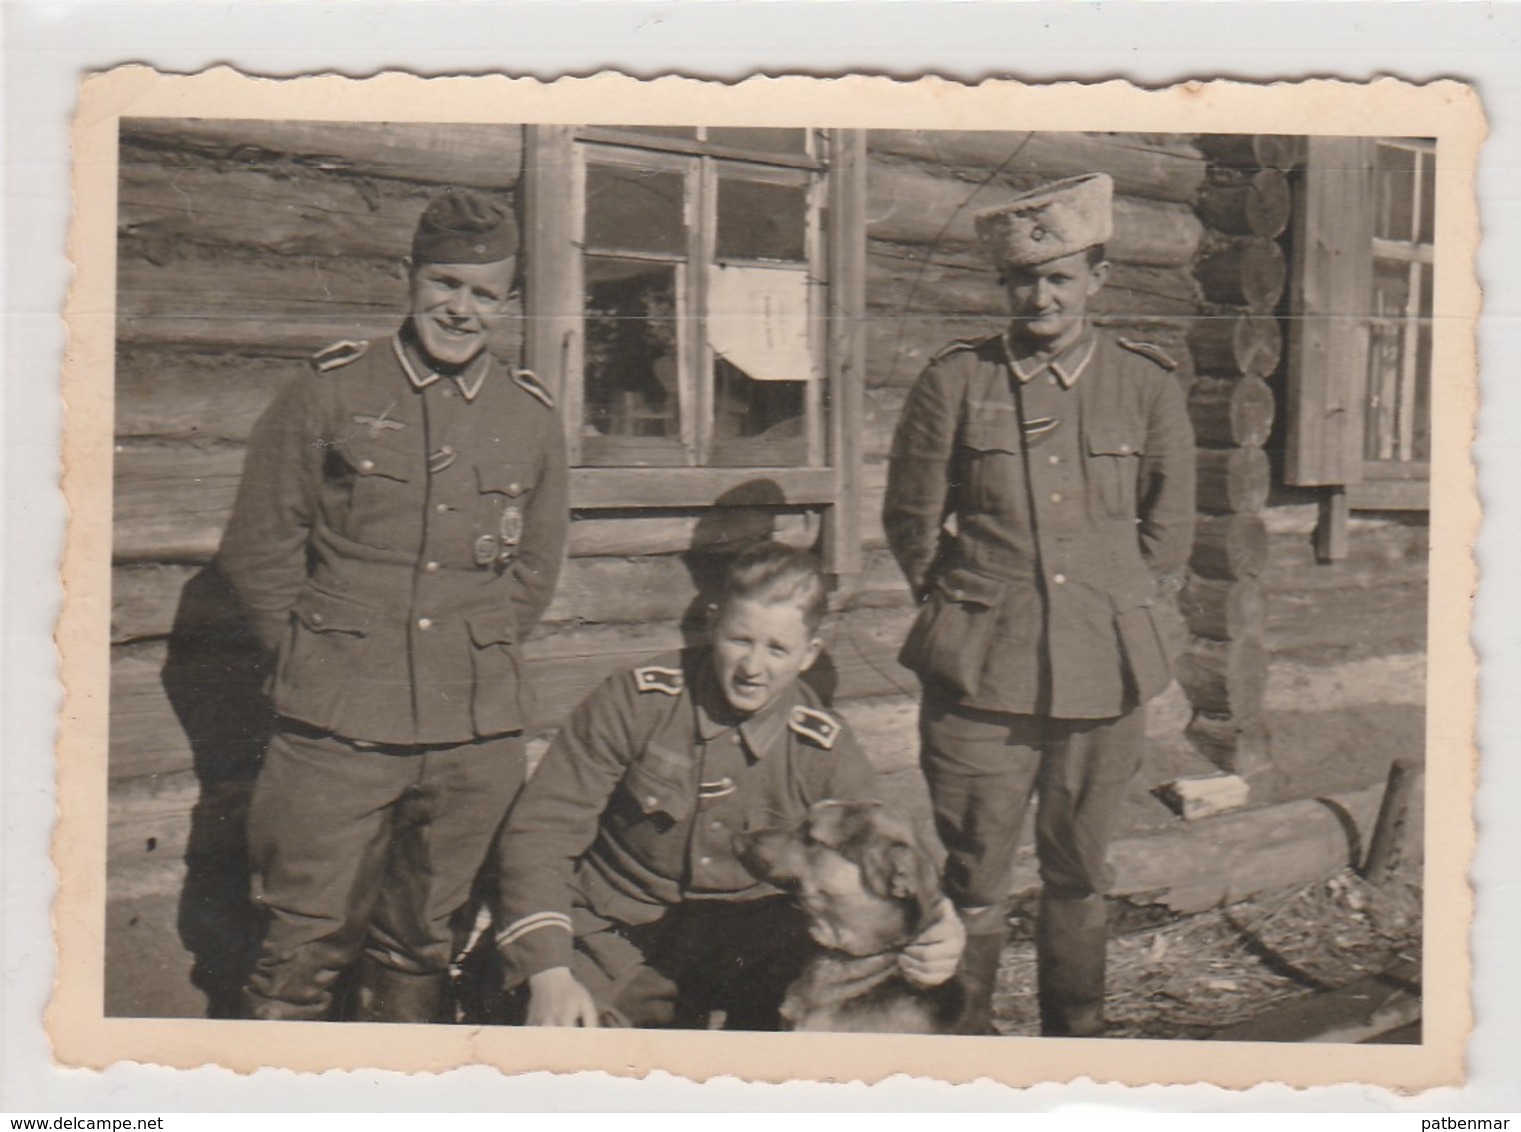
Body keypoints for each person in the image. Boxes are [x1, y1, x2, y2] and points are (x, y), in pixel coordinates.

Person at [218, 189, 569, 1023]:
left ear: (510, 302)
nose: (461, 309)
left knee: (423, 948)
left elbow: (534, 569)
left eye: (485, 294)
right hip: (336, 728)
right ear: (407, 278)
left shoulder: (529, 415)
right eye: (445, 284)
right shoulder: (331, 390)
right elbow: (260, 550)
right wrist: (318, 660)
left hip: (470, 736)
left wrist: (468, 655)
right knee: (300, 950)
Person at [883, 173, 1197, 1036]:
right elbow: (910, 520)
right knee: (975, 873)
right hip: (980, 679)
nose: (1041, 295)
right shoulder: (956, 381)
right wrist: (968, 606)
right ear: (1005, 286)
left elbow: (1168, 529)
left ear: (1096, 276)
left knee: (1078, 870)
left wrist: (1114, 603)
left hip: (1103, 675)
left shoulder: (1144, 384)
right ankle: (963, 1043)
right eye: (1024, 280)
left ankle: (1075, 1037)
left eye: (1060, 276)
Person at [490, 543, 964, 1029]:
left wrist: (940, 925)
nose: (753, 668)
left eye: (778, 649)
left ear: (809, 655)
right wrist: (548, 971)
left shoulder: (823, 746)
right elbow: (541, 835)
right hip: (619, 939)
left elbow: (890, 852)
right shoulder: (636, 702)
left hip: (752, 954)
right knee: (562, 1048)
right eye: (741, 640)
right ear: (714, 623)